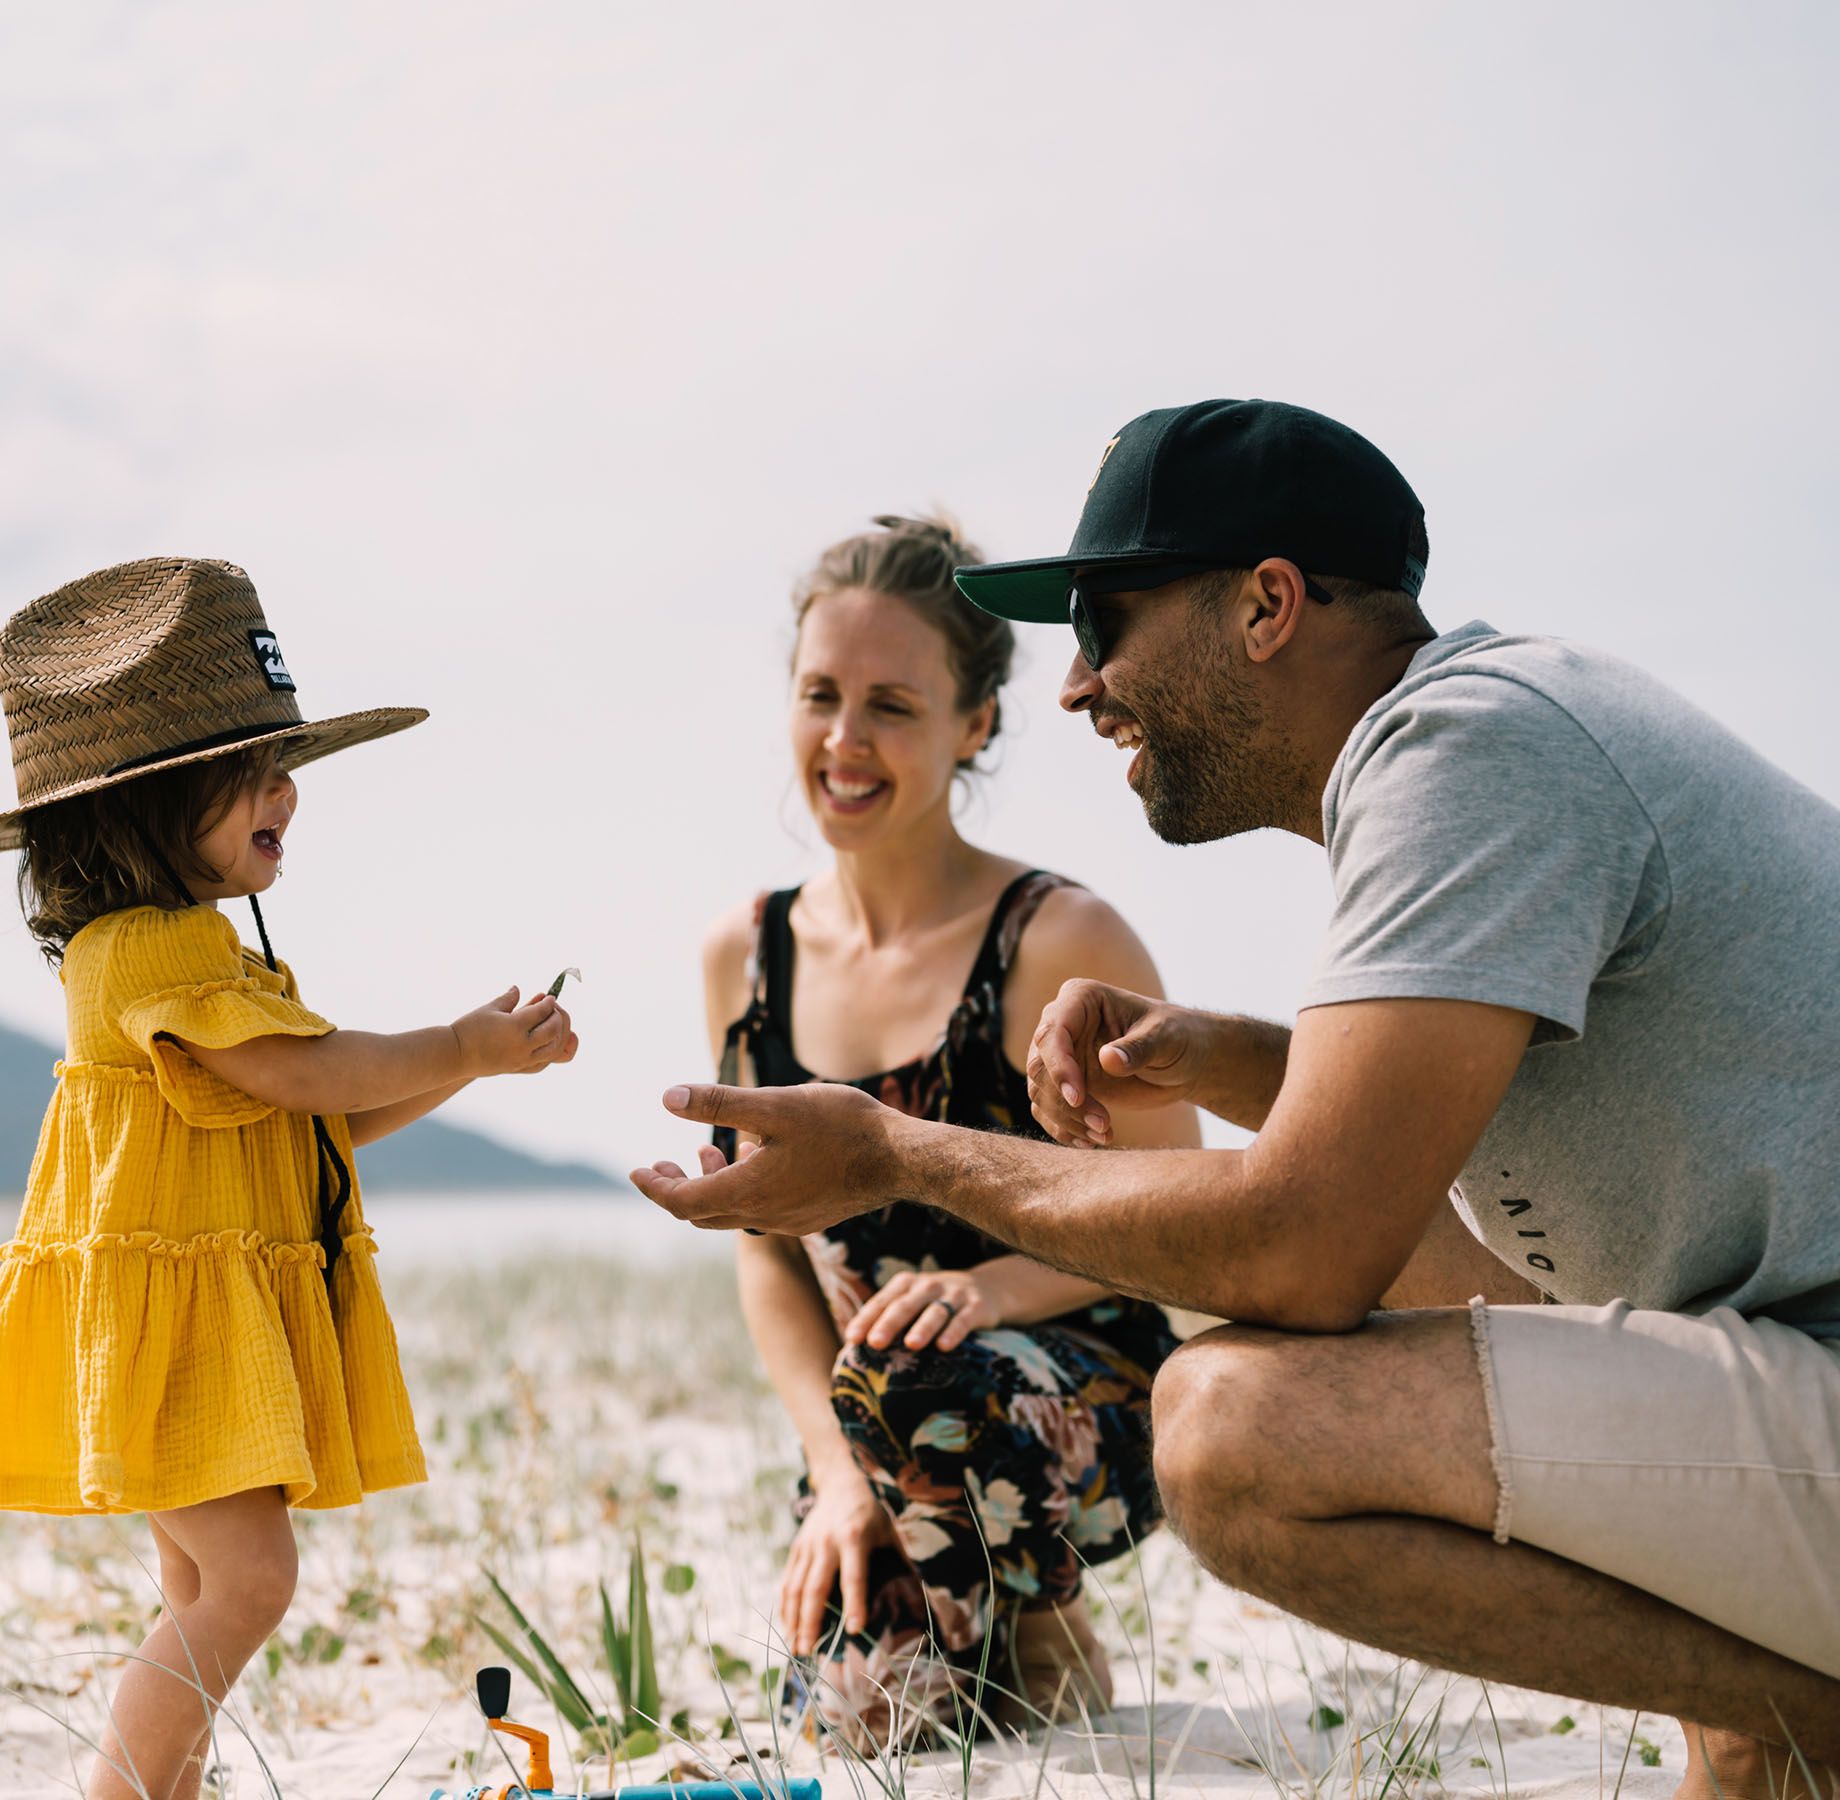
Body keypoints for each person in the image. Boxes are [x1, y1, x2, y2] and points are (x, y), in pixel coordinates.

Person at [636, 403, 1840, 1798]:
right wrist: (1236, 1059)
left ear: (1267, 604)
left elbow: (1302, 1250)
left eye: (1106, 622)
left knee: (1234, 1430)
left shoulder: (1467, 755)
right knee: (1431, 1260)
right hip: (1783, 1353)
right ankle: (1762, 1733)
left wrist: (897, 1154)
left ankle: (1794, 1716)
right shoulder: (1495, 726)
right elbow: (1413, 1149)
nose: (1079, 688)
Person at [0, 558, 579, 1800]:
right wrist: (460, 1042)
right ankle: (122, 1791)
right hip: (176, 1328)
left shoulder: (188, 954)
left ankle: (171, 1785)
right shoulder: (150, 951)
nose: (286, 790)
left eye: (286, 764)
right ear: (149, 806)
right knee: (252, 1583)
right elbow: (301, 1073)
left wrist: (475, 1066)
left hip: (181, 1323)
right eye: (252, 772)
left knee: (200, 1584)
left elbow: (317, 1121)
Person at [703, 514, 1198, 1747]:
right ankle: (935, 1585)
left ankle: (1048, 1615)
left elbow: (1193, 1211)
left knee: (924, 1374)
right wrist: (834, 1473)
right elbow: (767, 1251)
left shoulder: (1059, 940)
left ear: (975, 725)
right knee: (860, 1722)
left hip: (1073, 1391)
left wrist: (992, 1291)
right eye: (821, 695)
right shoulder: (744, 957)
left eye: (893, 705)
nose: (845, 740)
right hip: (876, 1424)